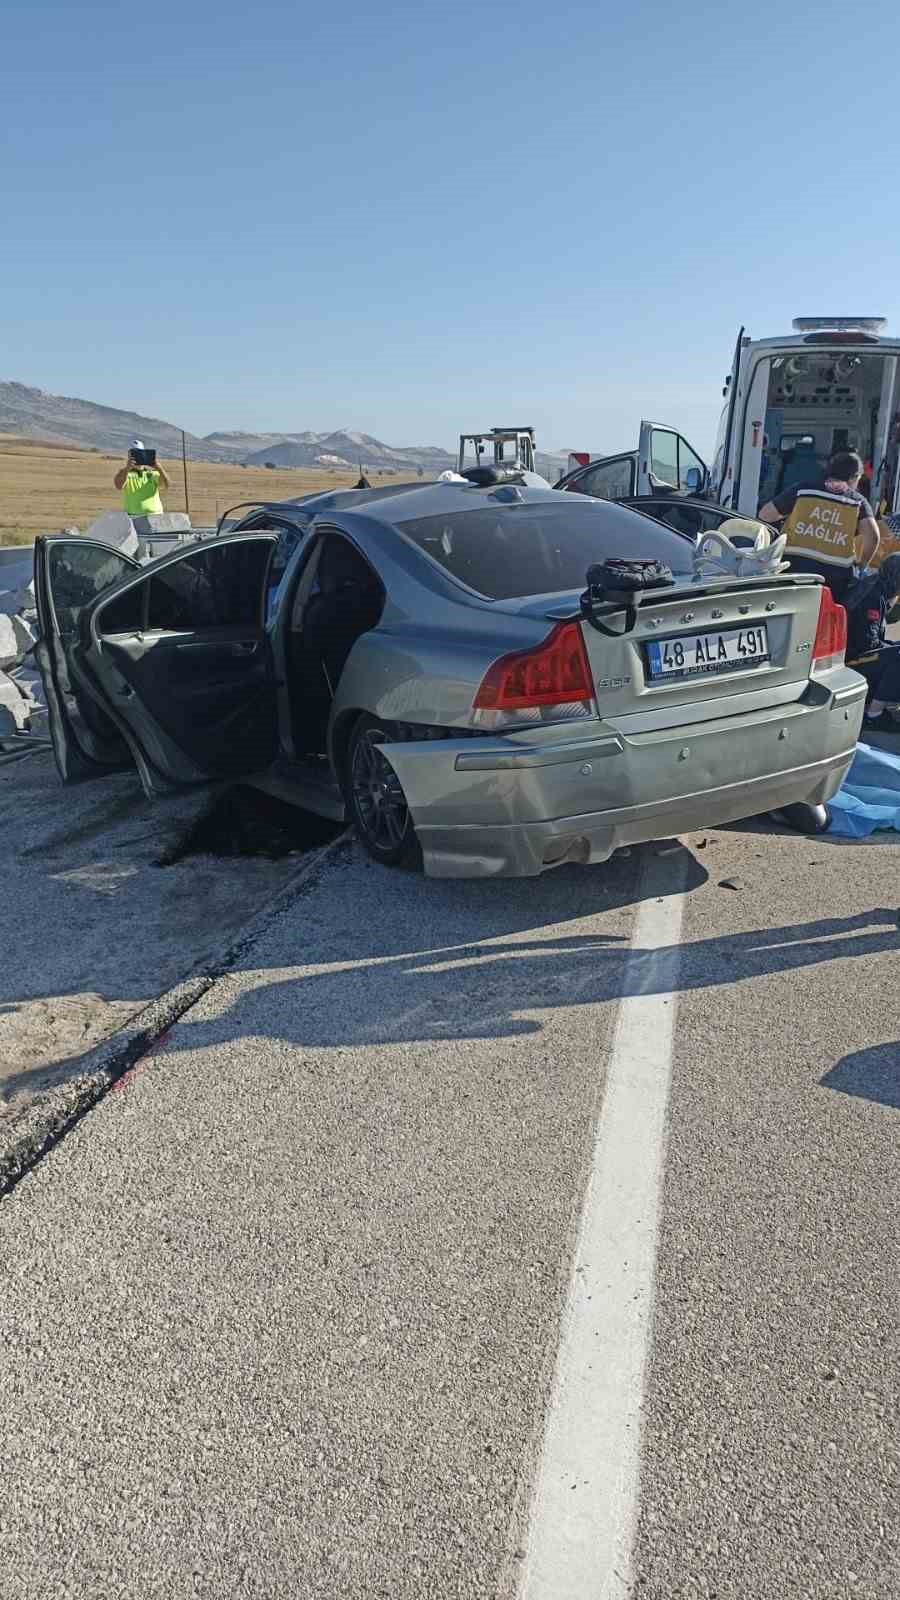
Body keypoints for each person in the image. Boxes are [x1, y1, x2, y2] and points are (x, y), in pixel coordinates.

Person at [759, 449, 880, 602]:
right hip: (834, 581)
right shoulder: (857, 502)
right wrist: (862, 566)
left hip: (793, 571)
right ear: (854, 477)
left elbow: (765, 515)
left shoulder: (802, 490)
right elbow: (873, 537)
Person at [844, 552, 900, 729]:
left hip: (858, 657)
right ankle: (873, 715)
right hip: (851, 664)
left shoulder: (877, 586)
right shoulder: (872, 597)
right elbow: (868, 644)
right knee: (898, 654)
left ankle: (884, 703)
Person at [113, 438, 170, 518]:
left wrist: (159, 468)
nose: (137, 457)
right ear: (129, 456)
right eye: (134, 454)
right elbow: (118, 485)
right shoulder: (124, 473)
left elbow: (166, 485)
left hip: (156, 515)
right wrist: (127, 468)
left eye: (139, 453)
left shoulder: (153, 474)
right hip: (135, 517)